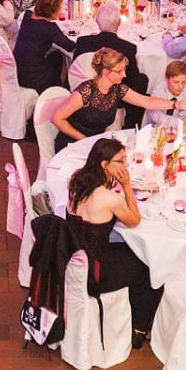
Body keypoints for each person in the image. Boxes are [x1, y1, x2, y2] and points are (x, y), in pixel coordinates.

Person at [65, 137, 162, 348]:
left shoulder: (75, 180)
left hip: (72, 258)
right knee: (149, 265)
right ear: (104, 164)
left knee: (129, 250)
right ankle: (139, 329)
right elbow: (135, 220)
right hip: (95, 272)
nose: (125, 166)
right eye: (120, 161)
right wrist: (127, 187)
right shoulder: (110, 198)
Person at [52, 47, 186, 151]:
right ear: (105, 72)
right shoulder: (85, 91)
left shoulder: (117, 89)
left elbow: (146, 101)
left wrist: (177, 104)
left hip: (95, 143)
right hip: (72, 144)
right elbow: (57, 118)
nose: (124, 75)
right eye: (120, 71)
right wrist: (83, 139)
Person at [71, 1, 150, 126]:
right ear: (119, 23)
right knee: (141, 79)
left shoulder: (82, 42)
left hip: (82, 91)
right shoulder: (127, 48)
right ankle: (131, 124)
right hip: (113, 97)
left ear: (96, 22)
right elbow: (132, 79)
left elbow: (74, 69)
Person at [12, 0, 74, 93]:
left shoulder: (27, 16)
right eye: (59, 8)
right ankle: (57, 89)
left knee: (53, 55)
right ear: (52, 11)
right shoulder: (49, 28)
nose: (60, 11)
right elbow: (70, 46)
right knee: (57, 57)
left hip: (18, 71)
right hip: (32, 79)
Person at [145, 60, 186, 127]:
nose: (180, 86)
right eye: (176, 82)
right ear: (166, 79)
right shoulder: (157, 94)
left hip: (178, 134)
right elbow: (156, 117)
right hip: (156, 132)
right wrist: (180, 124)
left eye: (183, 82)